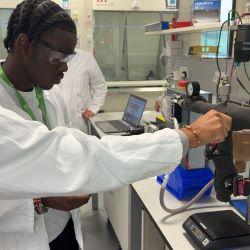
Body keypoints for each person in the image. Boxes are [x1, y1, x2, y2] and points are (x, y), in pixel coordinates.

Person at [0, 0, 231, 250]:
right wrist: (189, 136)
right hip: (22, 238)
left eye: (69, 57)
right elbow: (82, 158)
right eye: (58, 56)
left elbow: (74, 153)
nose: (65, 67)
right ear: (24, 44)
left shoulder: (48, 96)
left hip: (61, 229)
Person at [59, 49, 107, 133]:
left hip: (79, 122)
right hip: (57, 123)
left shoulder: (86, 59)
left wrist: (94, 108)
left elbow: (100, 86)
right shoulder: (49, 57)